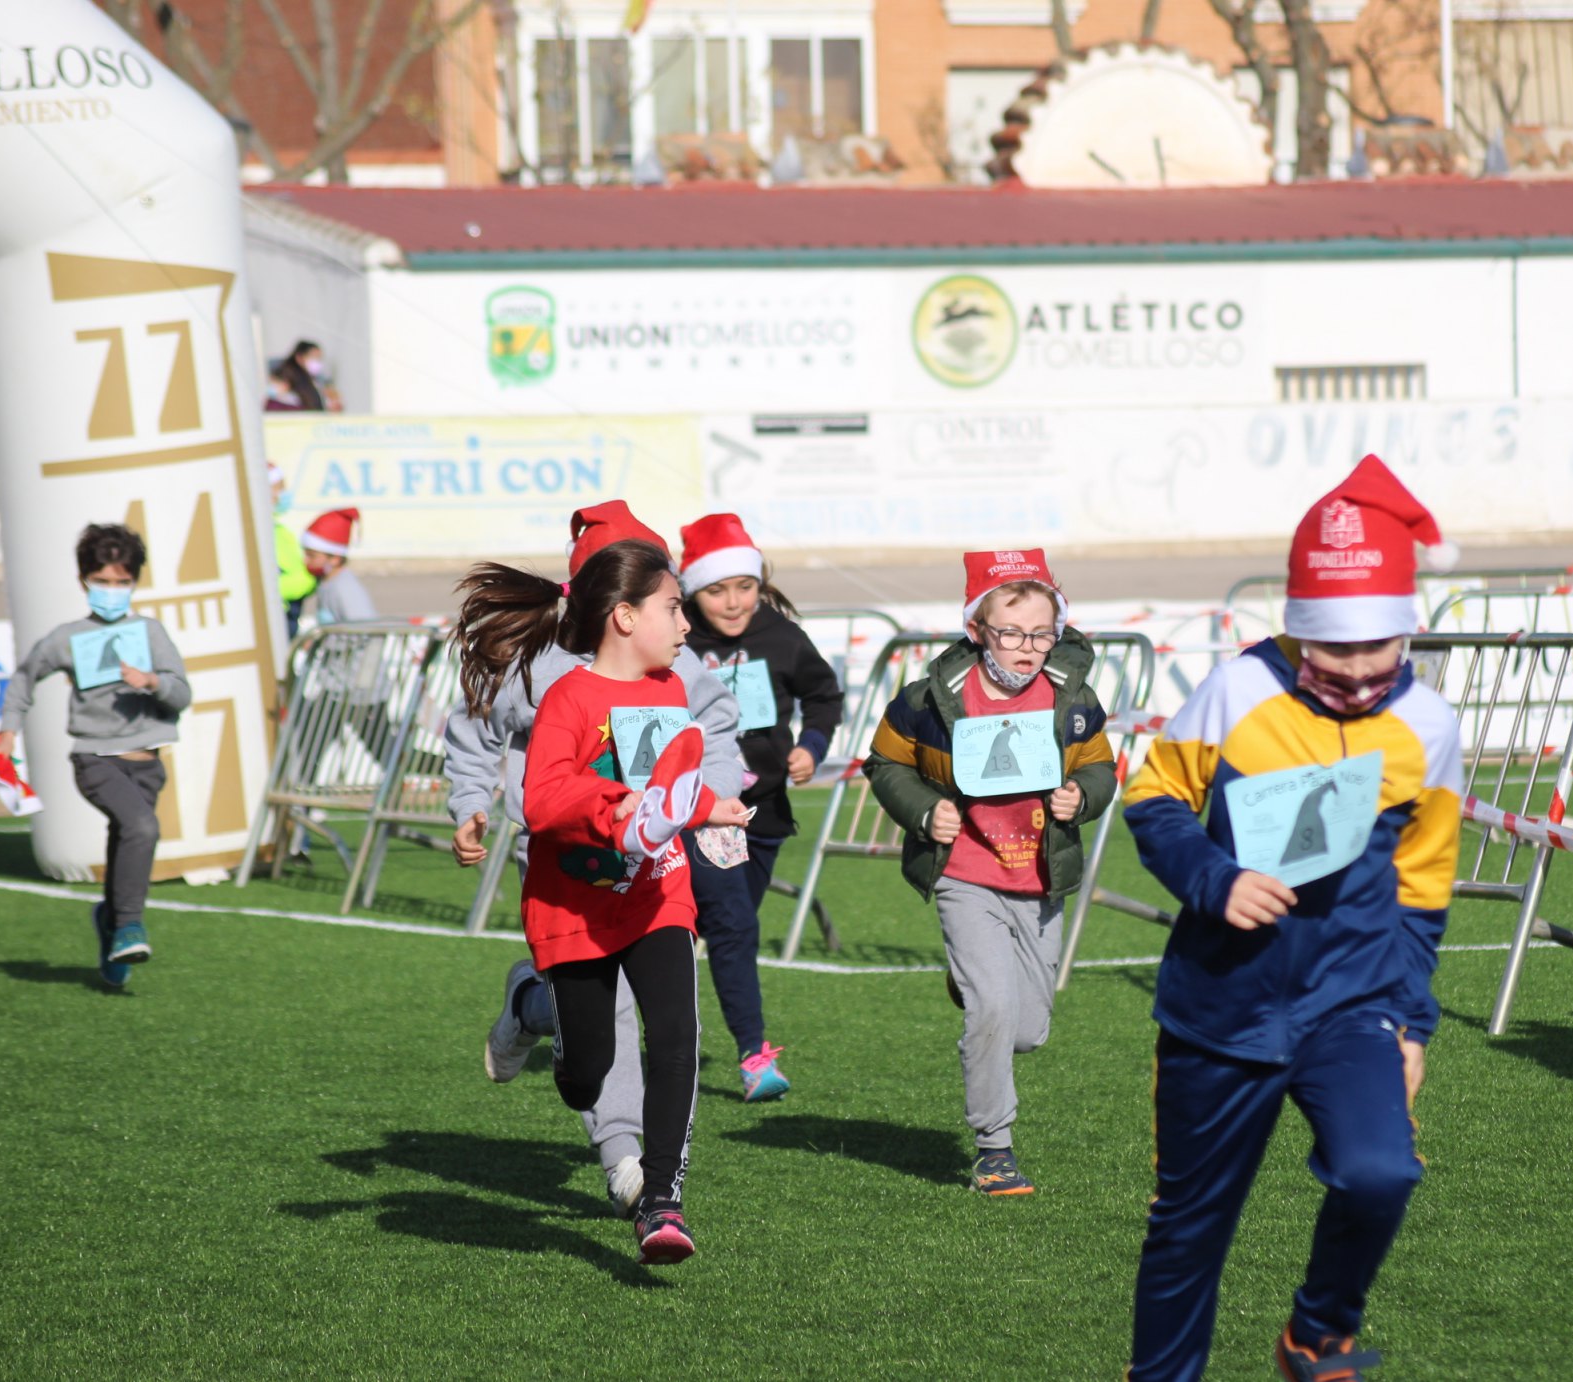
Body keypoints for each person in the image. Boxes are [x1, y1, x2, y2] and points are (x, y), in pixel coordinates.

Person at [1121, 456, 1462, 1382]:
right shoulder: (1236, 691)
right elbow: (1153, 799)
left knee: (1380, 1172)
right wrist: (1213, 878)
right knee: (1190, 1229)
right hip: (1217, 1010)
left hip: (1349, 1005)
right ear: (1297, 631)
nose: (1353, 669)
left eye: (1374, 647)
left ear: (1407, 629)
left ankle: (1318, 1334)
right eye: (1331, 648)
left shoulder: (1429, 724)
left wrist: (1410, 1021)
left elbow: (1424, 885)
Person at [453, 535, 749, 1266]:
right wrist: (622, 810)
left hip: (656, 897)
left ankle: (662, 1204)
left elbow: (672, 779)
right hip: (573, 906)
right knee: (586, 1070)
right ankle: (534, 1004)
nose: (687, 625)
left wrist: (711, 807)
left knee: (677, 1040)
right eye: (675, 608)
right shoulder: (568, 697)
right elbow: (544, 798)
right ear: (623, 616)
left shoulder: (671, 690)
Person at [861, 550, 1116, 1195]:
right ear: (976, 629)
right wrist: (925, 813)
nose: (1028, 647)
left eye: (1042, 633)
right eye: (1012, 633)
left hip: (1040, 877)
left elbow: (1100, 767)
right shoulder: (928, 699)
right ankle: (994, 1148)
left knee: (1028, 1030)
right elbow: (885, 764)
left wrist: (1082, 795)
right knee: (995, 1011)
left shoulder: (1073, 696)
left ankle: (971, 987)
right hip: (965, 873)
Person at [679, 512, 845, 1101]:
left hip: (765, 814)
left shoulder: (780, 636)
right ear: (690, 590)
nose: (732, 602)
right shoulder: (675, 639)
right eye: (716, 590)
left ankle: (646, 1028)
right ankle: (753, 1055)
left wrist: (811, 747)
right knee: (732, 927)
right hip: (698, 812)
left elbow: (824, 697)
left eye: (743, 587)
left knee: (717, 928)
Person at [0, 524, 192, 989]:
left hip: (147, 763)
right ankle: (128, 925)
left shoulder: (150, 632)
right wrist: (8, 730)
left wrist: (153, 682)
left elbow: (182, 694)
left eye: (122, 582)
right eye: (102, 581)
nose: (112, 591)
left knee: (127, 842)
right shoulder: (67, 637)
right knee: (142, 828)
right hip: (95, 760)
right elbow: (24, 678)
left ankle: (109, 923)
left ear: (135, 583)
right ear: (84, 580)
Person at [300, 508, 378, 626]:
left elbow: (364, 629)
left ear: (335, 559)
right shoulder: (327, 582)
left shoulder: (344, 586)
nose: (305, 560)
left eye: (312, 556)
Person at [268, 464, 318, 640]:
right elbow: (268, 583)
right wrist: (309, 579)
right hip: (277, 616)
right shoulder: (265, 533)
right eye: (279, 488)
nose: (283, 494)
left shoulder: (278, 530)